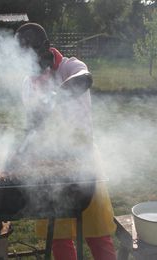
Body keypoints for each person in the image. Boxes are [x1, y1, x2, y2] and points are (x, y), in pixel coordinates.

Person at [15, 23, 117, 260]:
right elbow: (33, 125)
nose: (31, 67)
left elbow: (85, 78)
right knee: (58, 235)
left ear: (47, 49)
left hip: (84, 159)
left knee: (97, 232)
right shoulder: (28, 84)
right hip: (48, 163)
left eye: (34, 59)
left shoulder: (71, 66)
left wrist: (54, 96)